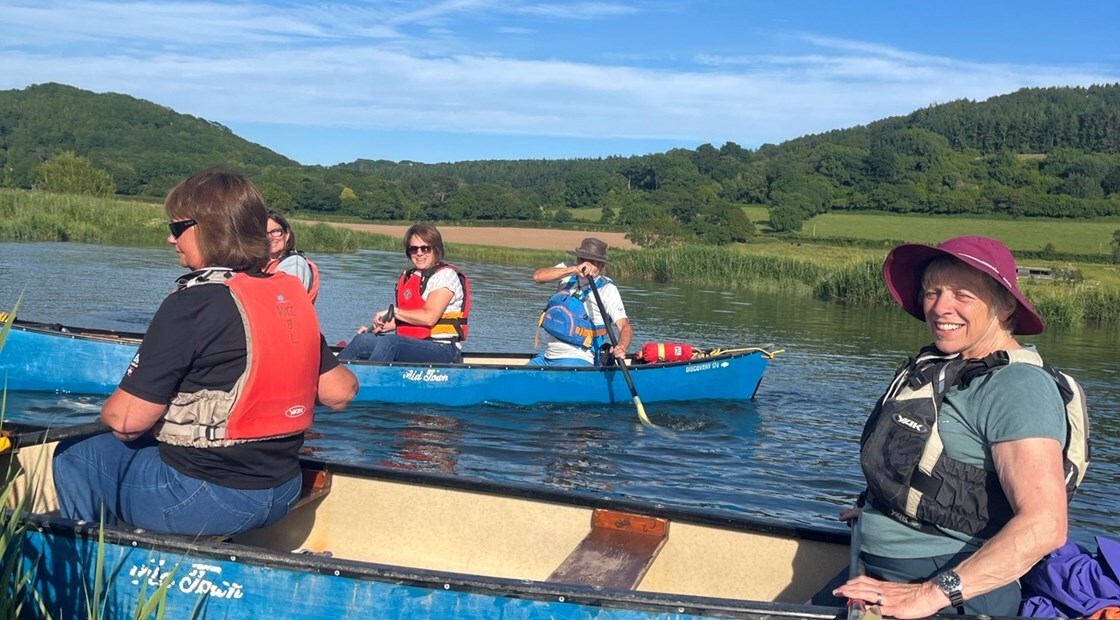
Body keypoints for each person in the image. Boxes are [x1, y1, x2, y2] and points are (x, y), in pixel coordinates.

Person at [52, 166, 359, 537]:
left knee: (76, 451)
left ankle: (90, 559)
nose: (170, 237)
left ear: (210, 228)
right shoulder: (288, 299)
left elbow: (126, 421)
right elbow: (341, 392)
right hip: (283, 488)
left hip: (208, 499)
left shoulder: (190, 304)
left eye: (177, 227)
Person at [828, 236, 1089, 618]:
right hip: (881, 568)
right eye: (932, 292)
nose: (939, 307)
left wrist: (929, 594)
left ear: (1004, 306)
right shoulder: (953, 366)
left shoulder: (1018, 387)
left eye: (962, 295)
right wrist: (883, 508)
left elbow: (1045, 525)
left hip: (946, 591)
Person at [337, 223, 470, 364]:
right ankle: (331, 373)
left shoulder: (445, 276)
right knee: (362, 340)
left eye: (425, 248)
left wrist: (394, 312)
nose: (419, 253)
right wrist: (383, 326)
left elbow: (429, 318)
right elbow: (409, 318)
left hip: (442, 348)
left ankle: (370, 376)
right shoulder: (410, 276)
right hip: (413, 344)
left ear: (436, 249)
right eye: (414, 249)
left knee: (391, 343)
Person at [528, 237, 632, 366]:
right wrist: (574, 270)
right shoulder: (568, 270)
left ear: (601, 266)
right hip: (547, 357)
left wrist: (622, 346)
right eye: (582, 259)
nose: (587, 265)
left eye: (593, 262)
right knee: (518, 376)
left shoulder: (607, 289)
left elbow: (624, 325)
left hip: (578, 359)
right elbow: (538, 277)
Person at [264, 209, 320, 303]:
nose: (270, 237)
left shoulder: (294, 264)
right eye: (265, 233)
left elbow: (286, 300)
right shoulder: (260, 264)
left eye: (276, 231)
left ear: (287, 235)